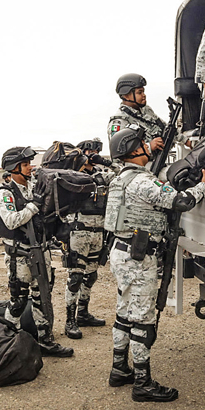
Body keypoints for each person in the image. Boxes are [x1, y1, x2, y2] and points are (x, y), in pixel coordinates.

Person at [105, 125, 205, 402]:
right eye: (142, 143)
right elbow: (180, 201)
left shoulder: (119, 179)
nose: (147, 146)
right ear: (133, 150)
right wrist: (202, 188)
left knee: (125, 313)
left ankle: (120, 368)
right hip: (138, 257)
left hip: (122, 253)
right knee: (143, 319)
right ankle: (142, 383)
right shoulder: (142, 181)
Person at [0, 146, 73, 357]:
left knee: (42, 298)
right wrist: (33, 206)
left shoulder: (35, 188)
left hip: (41, 252)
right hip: (19, 256)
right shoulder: (5, 193)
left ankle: (45, 340)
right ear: (14, 168)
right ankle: (10, 342)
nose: (30, 168)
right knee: (18, 301)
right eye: (26, 164)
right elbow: (11, 221)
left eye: (30, 163)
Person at [60, 145, 114, 340]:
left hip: (98, 232)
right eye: (87, 153)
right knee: (75, 277)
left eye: (93, 153)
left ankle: (82, 313)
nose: (91, 156)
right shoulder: (71, 177)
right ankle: (70, 320)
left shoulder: (101, 176)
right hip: (78, 232)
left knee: (91, 276)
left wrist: (104, 161)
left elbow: (122, 173)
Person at [107, 74, 188, 158]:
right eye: (139, 92)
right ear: (126, 95)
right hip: (138, 169)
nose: (144, 95)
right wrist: (149, 147)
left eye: (143, 91)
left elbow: (165, 128)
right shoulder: (119, 121)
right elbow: (118, 154)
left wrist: (186, 141)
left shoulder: (146, 110)